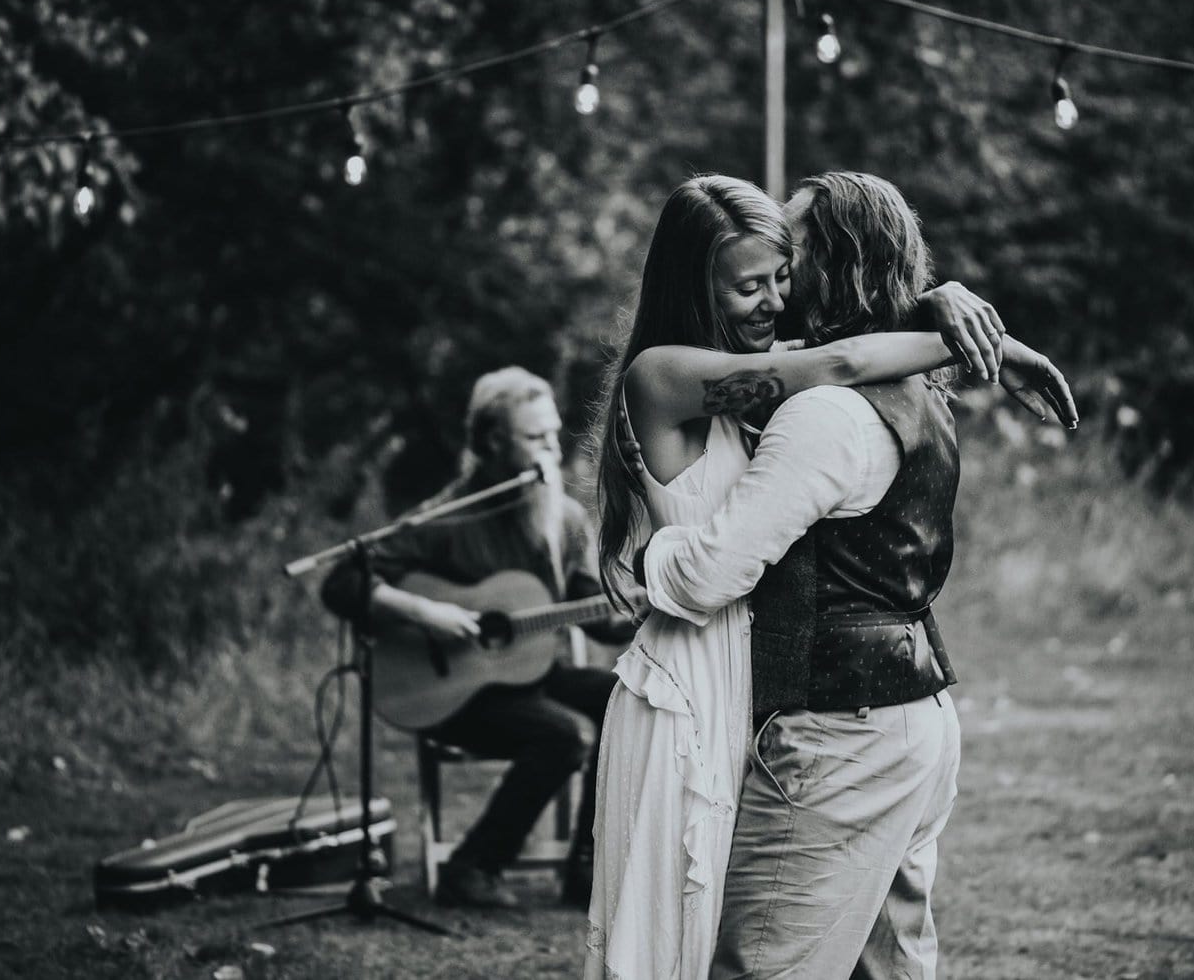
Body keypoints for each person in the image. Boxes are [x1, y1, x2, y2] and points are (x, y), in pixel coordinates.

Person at [583, 174, 1059, 978]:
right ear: (696, 284)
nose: (775, 296)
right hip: (697, 685)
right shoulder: (667, 373)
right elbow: (842, 355)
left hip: (775, 691)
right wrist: (967, 330)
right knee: (675, 935)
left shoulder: (779, 378)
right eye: (752, 282)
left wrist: (962, 318)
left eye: (785, 270)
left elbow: (847, 350)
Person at [320, 366, 633, 909]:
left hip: (530, 674)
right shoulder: (447, 518)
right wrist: (422, 610)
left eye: (552, 433)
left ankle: (586, 869)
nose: (550, 449)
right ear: (491, 441)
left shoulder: (561, 520)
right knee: (563, 735)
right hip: (453, 690)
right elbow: (341, 580)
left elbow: (598, 618)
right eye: (534, 437)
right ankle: (472, 868)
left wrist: (647, 605)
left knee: (621, 702)